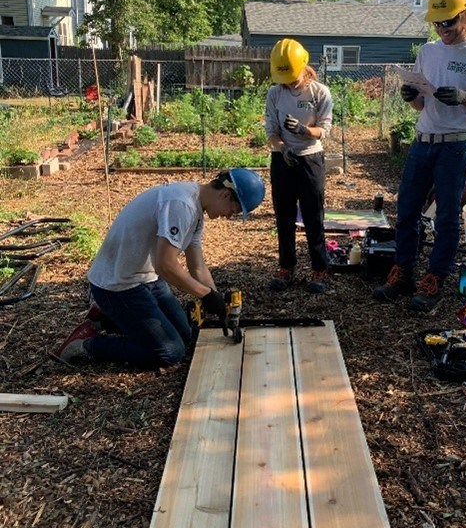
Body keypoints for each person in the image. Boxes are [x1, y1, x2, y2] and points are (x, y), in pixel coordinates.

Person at [52, 168, 266, 366]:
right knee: (169, 351)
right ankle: (87, 344)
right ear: (226, 195)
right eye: (234, 211)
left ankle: (108, 316)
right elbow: (166, 265)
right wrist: (205, 295)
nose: (228, 216)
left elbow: (197, 266)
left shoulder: (197, 210)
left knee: (185, 334)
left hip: (146, 278)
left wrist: (219, 302)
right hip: (118, 284)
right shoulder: (181, 205)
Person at [374, 0, 466, 313]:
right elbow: (420, 106)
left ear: (465, 15)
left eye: (449, 21)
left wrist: (465, 98)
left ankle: (434, 279)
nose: (443, 28)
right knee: (406, 213)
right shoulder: (428, 52)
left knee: (445, 217)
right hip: (422, 142)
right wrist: (411, 96)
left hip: (454, 147)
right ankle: (402, 273)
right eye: (438, 22)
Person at [265, 38, 333, 294]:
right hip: (283, 159)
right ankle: (286, 266)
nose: (289, 82)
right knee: (284, 216)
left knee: (313, 215)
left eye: (292, 76)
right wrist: (282, 147)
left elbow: (324, 130)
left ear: (303, 66)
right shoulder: (275, 93)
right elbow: (271, 131)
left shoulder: (319, 92)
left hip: (310, 159)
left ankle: (319, 267)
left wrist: (305, 130)